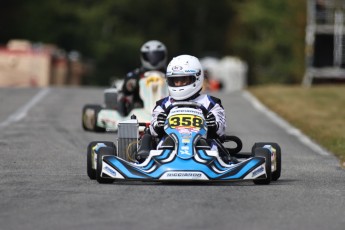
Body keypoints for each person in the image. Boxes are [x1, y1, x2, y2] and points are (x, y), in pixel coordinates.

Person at [136, 54, 228, 162]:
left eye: (183, 80)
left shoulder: (210, 103)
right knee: (149, 137)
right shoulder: (163, 104)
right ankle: (148, 160)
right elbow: (153, 130)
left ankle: (216, 161)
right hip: (168, 146)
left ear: (196, 78)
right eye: (175, 80)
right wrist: (157, 125)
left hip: (203, 145)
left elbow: (221, 130)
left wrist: (213, 125)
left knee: (210, 142)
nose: (179, 84)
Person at [119, 40, 168, 116]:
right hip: (139, 110)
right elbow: (126, 91)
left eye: (156, 56)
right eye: (150, 56)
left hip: (167, 109)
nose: (153, 59)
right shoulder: (135, 74)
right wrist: (131, 84)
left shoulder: (169, 73)